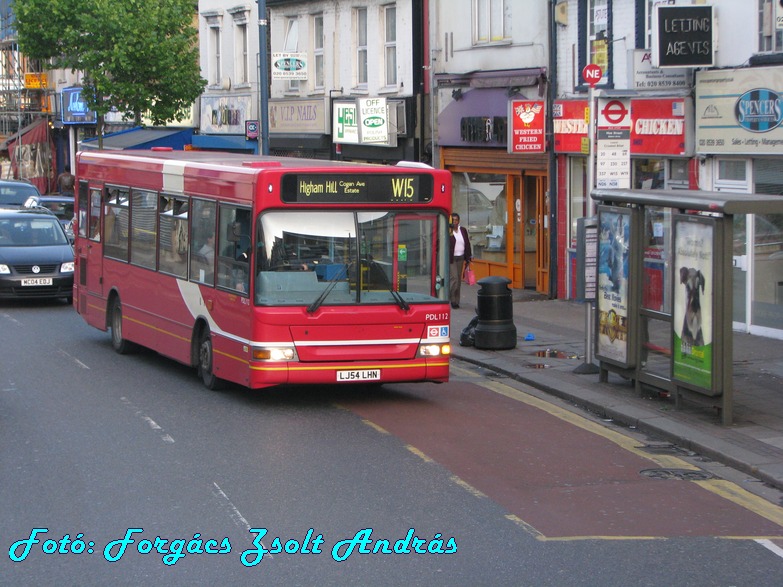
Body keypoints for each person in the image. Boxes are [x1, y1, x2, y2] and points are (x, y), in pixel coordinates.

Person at [449, 212, 472, 309]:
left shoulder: (462, 230)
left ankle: (456, 301)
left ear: (459, 221)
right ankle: (451, 298)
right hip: (452, 258)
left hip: (461, 257)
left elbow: (467, 243)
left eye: (456, 220)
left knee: (458, 280)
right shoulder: (449, 231)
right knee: (454, 279)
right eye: (453, 220)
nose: (455, 222)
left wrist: (468, 257)